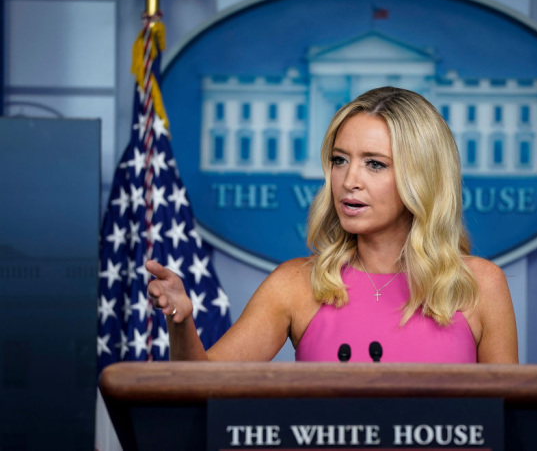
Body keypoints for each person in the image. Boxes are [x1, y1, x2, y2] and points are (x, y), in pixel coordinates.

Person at [146, 86, 518, 363]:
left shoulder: (480, 285)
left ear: (422, 177)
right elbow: (201, 386)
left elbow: (508, 422)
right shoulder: (295, 285)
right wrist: (182, 322)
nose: (349, 179)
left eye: (374, 164)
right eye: (340, 160)